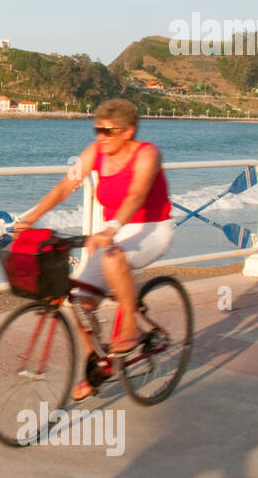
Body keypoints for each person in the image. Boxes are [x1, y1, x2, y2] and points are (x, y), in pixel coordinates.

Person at [12, 98, 174, 400]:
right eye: (97, 129)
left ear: (128, 131)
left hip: (152, 229)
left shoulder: (147, 153)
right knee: (81, 305)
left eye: (108, 131)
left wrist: (111, 229)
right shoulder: (96, 153)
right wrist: (30, 217)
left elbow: (137, 195)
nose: (100, 136)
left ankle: (131, 326)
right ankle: (100, 366)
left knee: (113, 258)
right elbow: (65, 186)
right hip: (114, 230)